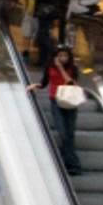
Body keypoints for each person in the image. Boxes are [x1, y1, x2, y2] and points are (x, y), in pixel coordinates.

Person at [29, 45, 86, 176]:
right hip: (56, 101)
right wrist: (35, 85)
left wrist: (61, 68)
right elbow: (44, 83)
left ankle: (68, 164)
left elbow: (71, 83)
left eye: (65, 56)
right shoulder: (49, 67)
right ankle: (72, 164)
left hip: (71, 101)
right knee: (63, 133)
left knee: (70, 134)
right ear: (56, 56)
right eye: (60, 55)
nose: (63, 58)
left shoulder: (73, 68)